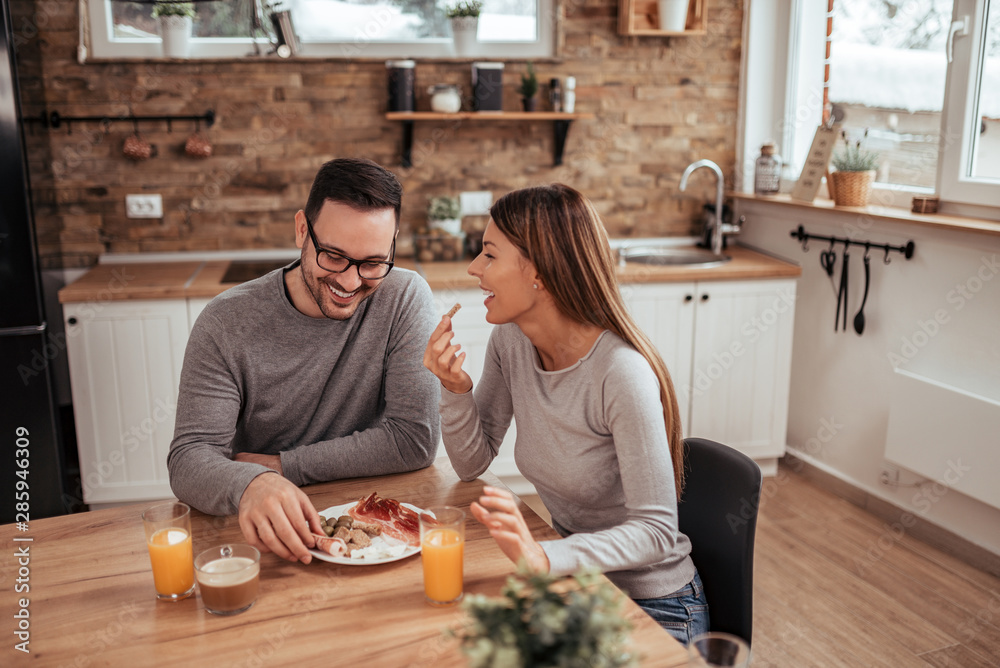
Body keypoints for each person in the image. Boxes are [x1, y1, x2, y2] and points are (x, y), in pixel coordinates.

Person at [423, 184, 709, 644]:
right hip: (578, 586)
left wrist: (545, 557)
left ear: (536, 271)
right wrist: (454, 389)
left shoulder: (620, 374)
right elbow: (472, 463)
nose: (475, 268)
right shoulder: (512, 343)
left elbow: (657, 531)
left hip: (656, 606)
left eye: (490, 255)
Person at [169, 157, 440, 565]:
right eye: (332, 256)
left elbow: (413, 439)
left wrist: (281, 465)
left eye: (372, 263)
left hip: (373, 532)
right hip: (266, 533)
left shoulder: (405, 297)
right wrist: (252, 484)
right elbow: (190, 457)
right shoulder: (226, 322)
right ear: (301, 230)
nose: (350, 282)